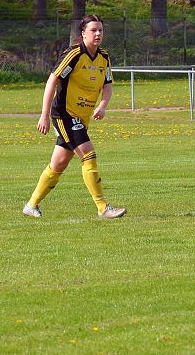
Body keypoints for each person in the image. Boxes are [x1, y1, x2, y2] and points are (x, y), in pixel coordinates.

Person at [23, 14, 126, 219]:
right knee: (88, 154)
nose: (98, 34)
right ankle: (102, 207)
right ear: (83, 33)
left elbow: (107, 86)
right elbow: (52, 81)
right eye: (93, 30)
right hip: (64, 114)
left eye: (100, 30)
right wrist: (43, 115)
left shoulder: (104, 57)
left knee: (58, 164)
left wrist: (103, 106)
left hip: (82, 117)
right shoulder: (74, 55)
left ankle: (31, 205)